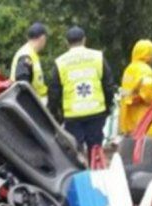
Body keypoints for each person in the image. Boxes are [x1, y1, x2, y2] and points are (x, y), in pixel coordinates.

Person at [48, 26, 114, 155]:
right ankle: (96, 173)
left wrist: (55, 114)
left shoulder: (60, 62)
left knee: (76, 154)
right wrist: (107, 106)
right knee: (96, 153)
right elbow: (108, 85)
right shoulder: (97, 57)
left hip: (73, 116)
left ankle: (80, 174)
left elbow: (54, 92)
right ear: (84, 40)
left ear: (67, 43)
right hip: (96, 112)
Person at [119, 39, 152, 137]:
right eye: (151, 54)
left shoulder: (129, 69)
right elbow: (148, 94)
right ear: (146, 54)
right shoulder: (145, 70)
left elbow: (126, 93)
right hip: (144, 116)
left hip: (129, 116)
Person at [11, 22, 49, 105]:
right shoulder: (26, 55)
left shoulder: (31, 53)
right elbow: (22, 82)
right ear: (42, 38)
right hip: (30, 106)